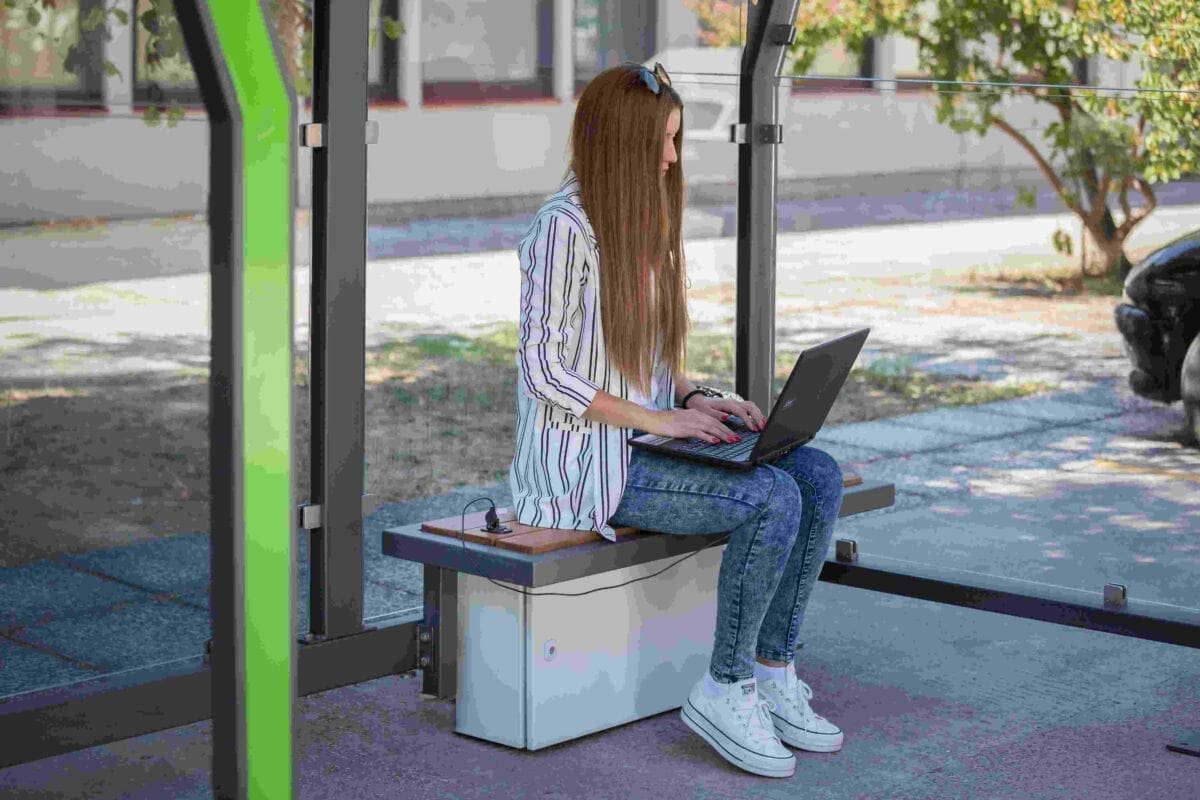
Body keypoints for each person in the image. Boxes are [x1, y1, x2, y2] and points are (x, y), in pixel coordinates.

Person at [508, 62, 845, 779]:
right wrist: (661, 417)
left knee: (816, 473)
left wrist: (694, 399)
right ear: (620, 143)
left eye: (676, 141)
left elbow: (644, 357)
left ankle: (774, 668)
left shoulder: (639, 222)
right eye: (663, 142)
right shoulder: (562, 230)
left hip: (648, 440)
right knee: (770, 496)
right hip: (587, 468)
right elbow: (545, 372)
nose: (671, 158)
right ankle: (726, 687)